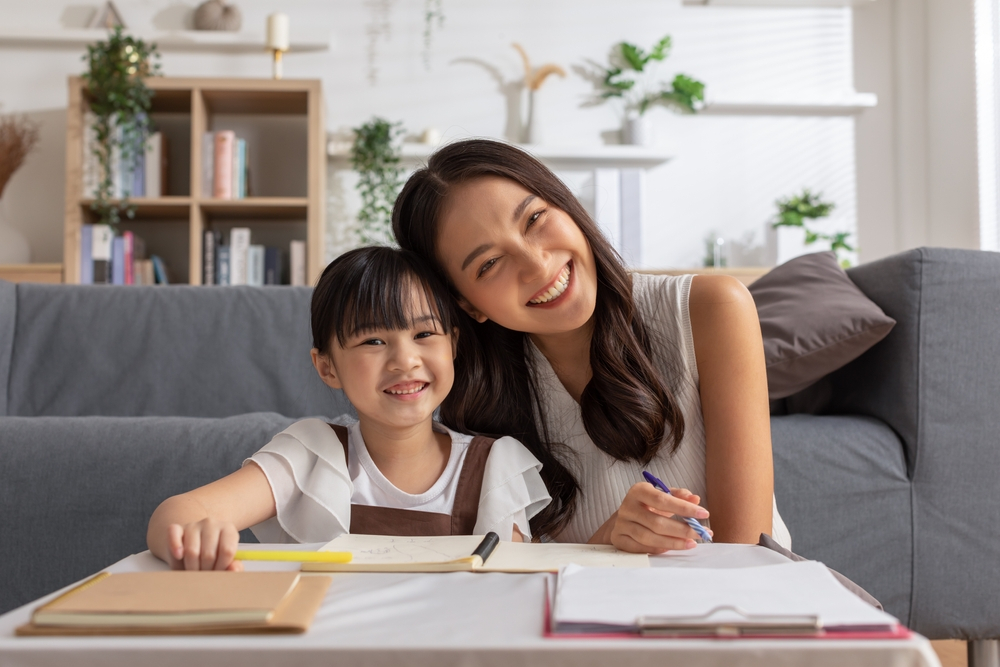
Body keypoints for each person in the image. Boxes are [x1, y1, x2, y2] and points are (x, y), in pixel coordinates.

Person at [392, 139, 791, 553]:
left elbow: (747, 554)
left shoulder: (710, 309)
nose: (537, 265)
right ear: (467, 305)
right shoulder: (473, 398)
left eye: (534, 218)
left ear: (566, 205)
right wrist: (606, 544)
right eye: (490, 263)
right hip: (591, 597)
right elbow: (513, 576)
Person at [147, 246, 551, 571]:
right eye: (373, 341)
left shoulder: (495, 466)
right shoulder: (311, 454)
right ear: (327, 367)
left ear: (453, 345)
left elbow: (513, 593)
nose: (405, 361)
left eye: (424, 333)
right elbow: (177, 514)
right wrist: (195, 537)